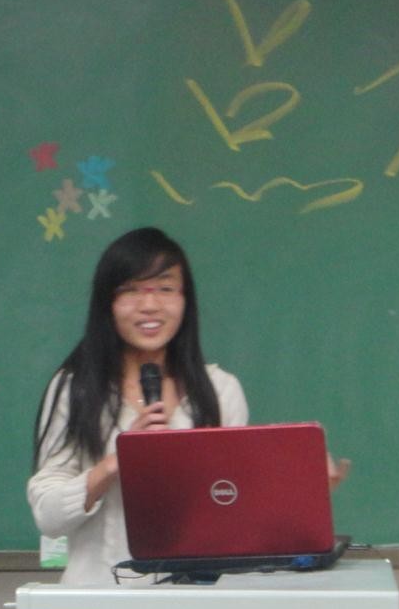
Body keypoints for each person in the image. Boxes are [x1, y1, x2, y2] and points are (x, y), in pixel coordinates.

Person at [27, 227, 249, 584]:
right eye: (131, 290)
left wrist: (291, 489)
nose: (149, 306)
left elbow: (233, 509)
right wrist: (116, 462)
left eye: (165, 289)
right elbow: (48, 517)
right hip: (95, 602)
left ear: (185, 300)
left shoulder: (220, 391)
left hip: (197, 603)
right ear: (108, 304)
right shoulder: (76, 388)